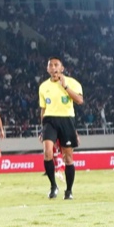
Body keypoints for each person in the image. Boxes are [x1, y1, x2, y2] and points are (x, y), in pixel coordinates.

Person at [39, 58, 84, 200]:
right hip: (49, 120)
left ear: (62, 68)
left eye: (56, 65)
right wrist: (42, 129)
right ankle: (53, 186)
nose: (53, 68)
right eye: (50, 65)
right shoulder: (43, 87)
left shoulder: (72, 82)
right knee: (47, 153)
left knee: (68, 157)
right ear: (47, 69)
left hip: (67, 120)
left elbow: (80, 100)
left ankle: (69, 190)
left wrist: (65, 87)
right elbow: (43, 109)